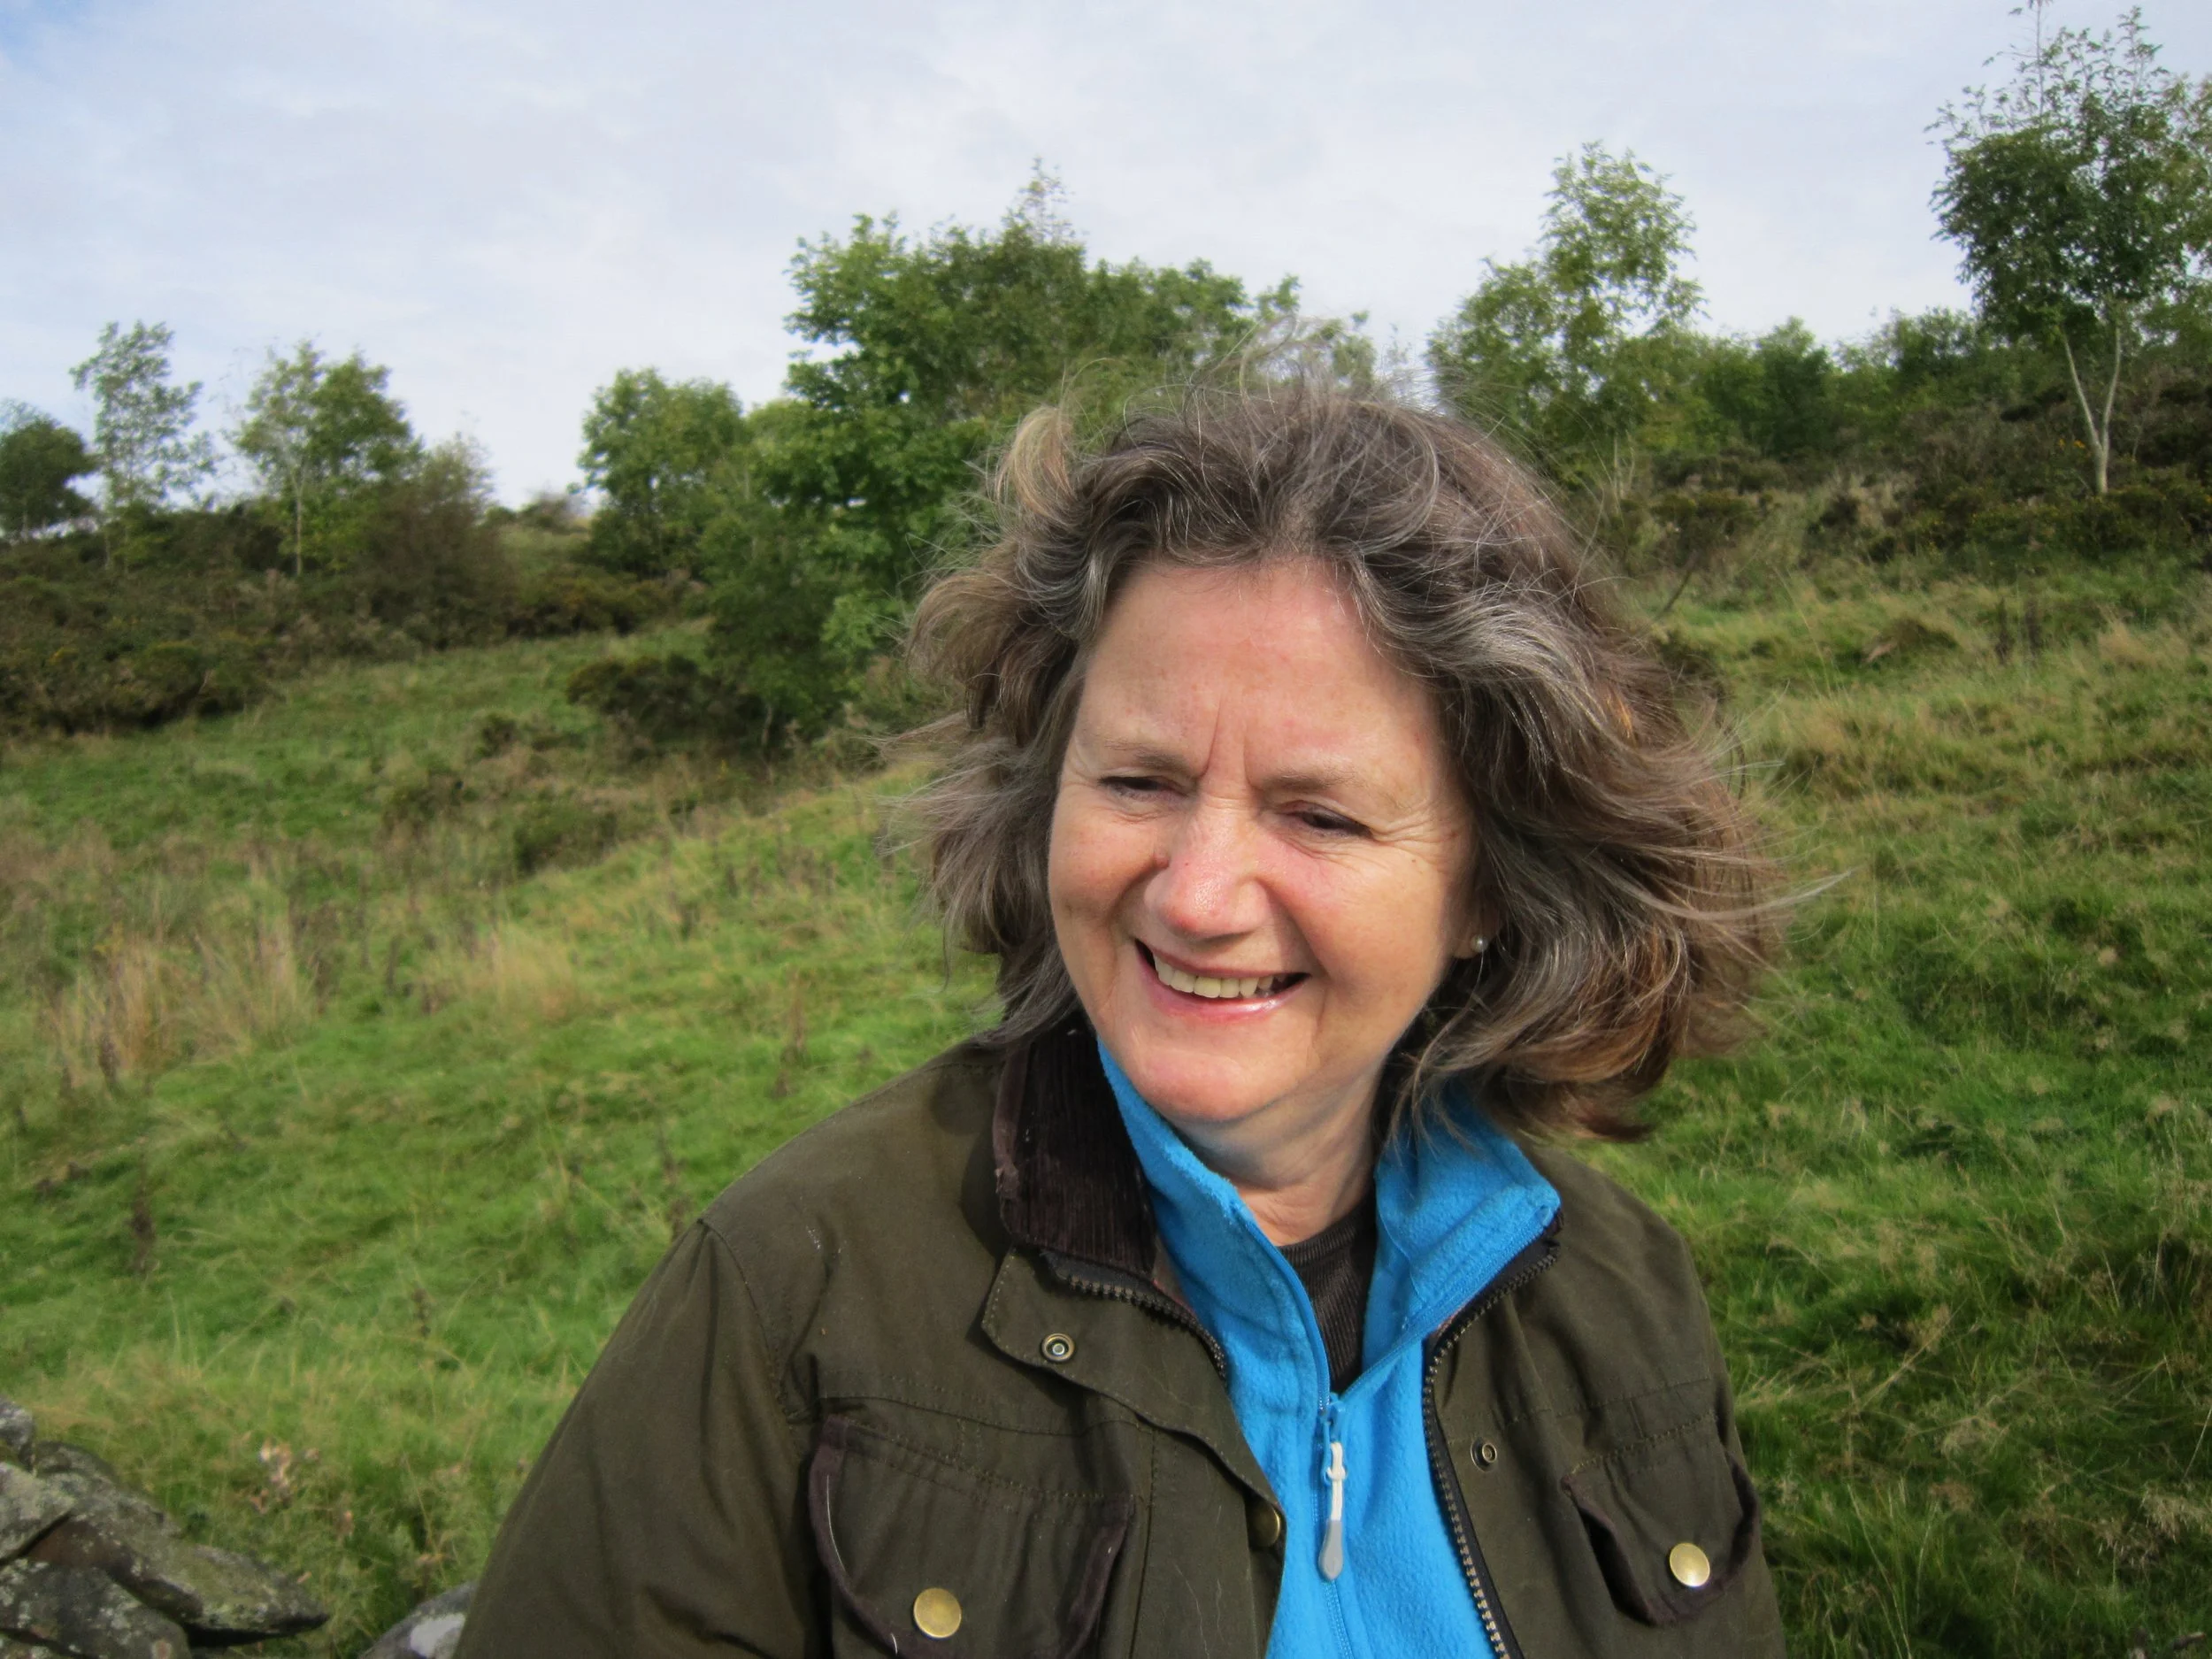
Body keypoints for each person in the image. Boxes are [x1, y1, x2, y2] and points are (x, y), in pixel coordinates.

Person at [456, 390, 1786, 1658]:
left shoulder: (1624, 1293)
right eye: (1140, 780)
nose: (1197, 896)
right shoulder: (786, 1291)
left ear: (1492, 883)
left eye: (1318, 813)